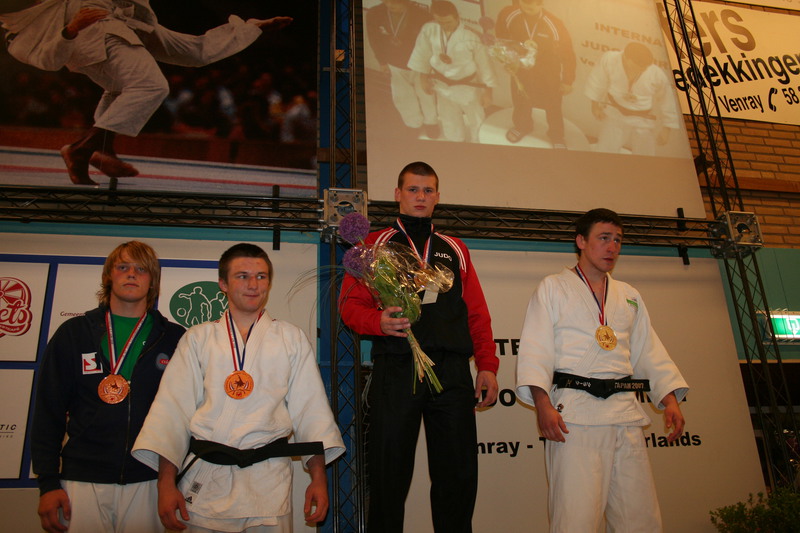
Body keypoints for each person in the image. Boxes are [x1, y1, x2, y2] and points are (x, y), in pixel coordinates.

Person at [132, 243, 345, 532]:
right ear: (223, 283)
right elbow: (171, 412)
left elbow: (311, 411)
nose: (253, 285)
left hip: (268, 483)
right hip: (208, 480)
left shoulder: (290, 339)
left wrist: (318, 478)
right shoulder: (198, 339)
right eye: (242, 276)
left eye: (261, 276)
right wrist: (165, 483)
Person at [339, 161, 499, 533]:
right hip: (397, 366)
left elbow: (476, 311)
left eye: (428, 190)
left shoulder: (455, 248)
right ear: (398, 194)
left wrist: (487, 365)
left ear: (437, 197)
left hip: (451, 371)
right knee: (388, 475)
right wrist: (378, 322)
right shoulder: (372, 245)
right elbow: (350, 307)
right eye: (413, 189)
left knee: (457, 476)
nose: (420, 197)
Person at [515, 208, 689, 532]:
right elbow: (536, 349)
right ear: (581, 241)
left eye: (618, 240)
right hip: (574, 417)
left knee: (639, 517)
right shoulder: (553, 287)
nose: (612, 247)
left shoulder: (629, 295)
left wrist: (669, 400)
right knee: (576, 518)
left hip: (625, 414)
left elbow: (647, 350)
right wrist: (542, 404)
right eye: (604, 238)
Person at [0, 0, 292, 185]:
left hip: (118, 23)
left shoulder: (135, 13)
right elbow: (50, 61)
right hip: (95, 28)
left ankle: (101, 148)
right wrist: (71, 30)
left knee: (127, 86)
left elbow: (197, 51)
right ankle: (83, 149)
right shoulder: (25, 38)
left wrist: (254, 29)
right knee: (150, 85)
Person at [30, 240, 185, 533]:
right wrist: (48, 483)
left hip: (147, 480)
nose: (132, 274)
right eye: (123, 267)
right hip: (81, 479)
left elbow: (181, 418)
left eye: (141, 269)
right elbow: (48, 412)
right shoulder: (74, 333)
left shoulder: (174, 338)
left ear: (153, 281)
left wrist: (170, 481)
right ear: (108, 276)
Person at [407, 1, 496, 143]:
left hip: (468, 86)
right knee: (448, 118)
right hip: (442, 84)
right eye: (440, 22)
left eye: (448, 22)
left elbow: (485, 64)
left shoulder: (471, 35)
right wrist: (423, 79)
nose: (444, 26)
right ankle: (455, 142)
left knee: (476, 119)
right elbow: (422, 55)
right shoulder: (429, 29)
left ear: (457, 17)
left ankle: (478, 144)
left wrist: (488, 91)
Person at [495, 0, 576, 148]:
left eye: (533, 4)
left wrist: (568, 80)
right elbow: (502, 39)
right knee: (520, 99)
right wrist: (508, 60)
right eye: (525, 3)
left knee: (553, 104)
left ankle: (556, 135)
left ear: (541, 4)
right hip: (521, 68)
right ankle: (522, 126)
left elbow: (567, 53)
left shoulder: (554, 23)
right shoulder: (508, 14)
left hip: (548, 71)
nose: (528, 7)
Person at [585, 42, 681, 156]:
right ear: (626, 58)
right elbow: (597, 81)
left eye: (644, 68)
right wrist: (594, 106)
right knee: (605, 150)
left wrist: (667, 129)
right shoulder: (610, 60)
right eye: (637, 67)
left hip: (642, 118)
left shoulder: (655, 74)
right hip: (615, 112)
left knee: (645, 156)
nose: (641, 70)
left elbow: (667, 101)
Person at [366, 0, 439, 138]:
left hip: (419, 64)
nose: (389, 6)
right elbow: (374, 39)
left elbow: (431, 42)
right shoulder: (375, 13)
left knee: (426, 94)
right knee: (403, 97)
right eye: (386, 2)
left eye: (394, 3)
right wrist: (382, 62)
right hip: (394, 63)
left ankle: (431, 123)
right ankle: (413, 124)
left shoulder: (422, 15)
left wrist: (429, 66)